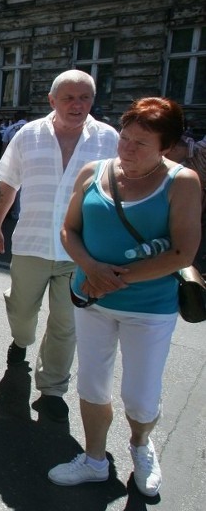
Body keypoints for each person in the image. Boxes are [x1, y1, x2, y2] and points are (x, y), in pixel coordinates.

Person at [48, 97, 199, 497]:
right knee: (92, 385)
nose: (127, 150)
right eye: (125, 139)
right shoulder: (93, 172)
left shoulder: (181, 181)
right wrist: (92, 270)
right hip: (92, 299)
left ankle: (140, 444)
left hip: (149, 307)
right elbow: (69, 230)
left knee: (140, 396)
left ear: (165, 147)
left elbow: (183, 252)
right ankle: (94, 459)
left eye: (140, 144)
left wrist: (116, 278)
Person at [0, 69, 119, 423]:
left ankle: (52, 387)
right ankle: (21, 342)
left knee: (66, 322)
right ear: (52, 101)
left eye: (84, 98)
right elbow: (7, 186)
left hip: (80, 252)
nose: (77, 105)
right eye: (69, 98)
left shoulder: (108, 139)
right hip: (30, 242)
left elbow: (119, 193)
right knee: (22, 312)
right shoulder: (28, 135)